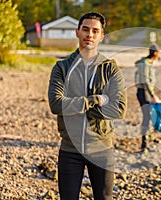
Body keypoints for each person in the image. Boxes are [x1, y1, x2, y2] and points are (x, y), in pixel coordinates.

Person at [48, 12, 127, 200]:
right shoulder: (62, 68)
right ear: (77, 32)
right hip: (70, 150)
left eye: (94, 31)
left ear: (101, 36)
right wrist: (94, 100)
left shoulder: (110, 68)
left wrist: (74, 105)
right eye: (85, 29)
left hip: (101, 150)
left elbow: (119, 108)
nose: (89, 34)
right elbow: (56, 105)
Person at [134, 44, 161, 151]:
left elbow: (138, 76)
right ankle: (144, 144)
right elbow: (145, 81)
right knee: (146, 117)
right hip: (143, 92)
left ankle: (145, 143)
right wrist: (153, 95)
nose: (160, 54)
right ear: (155, 53)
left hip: (144, 91)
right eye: (159, 52)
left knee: (148, 117)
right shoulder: (145, 64)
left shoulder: (147, 62)